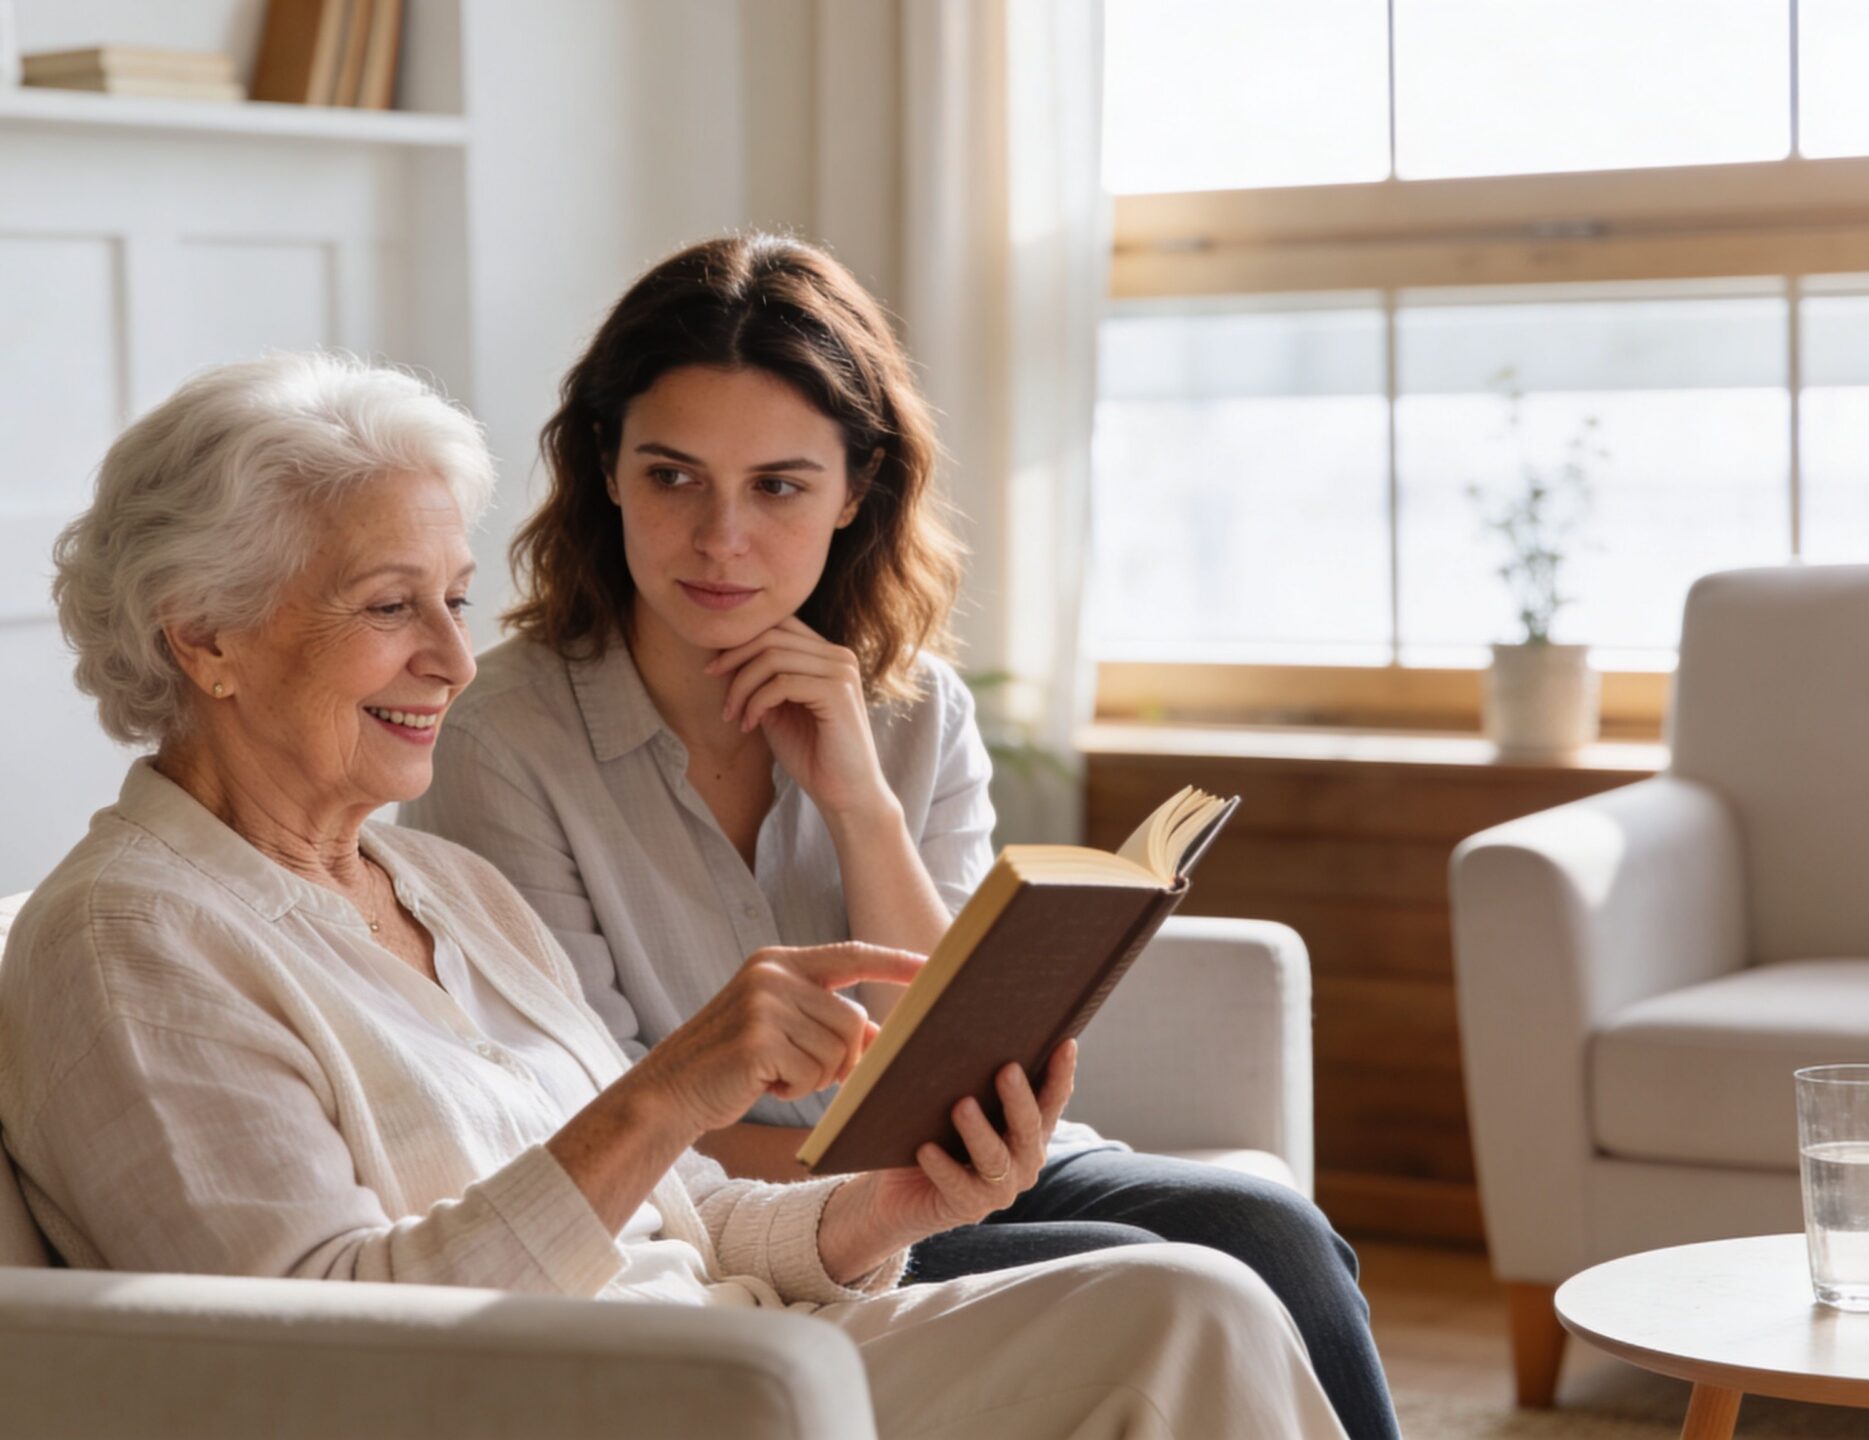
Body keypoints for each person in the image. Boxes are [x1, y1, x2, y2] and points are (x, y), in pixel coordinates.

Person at [0, 352, 1348, 1440]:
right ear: (203, 635)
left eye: (455, 598)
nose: (455, 658)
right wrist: (668, 1085)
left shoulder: (434, 884)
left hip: (731, 1345)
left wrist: (891, 1210)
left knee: (1194, 1290)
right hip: (607, 1402)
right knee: (1184, 1306)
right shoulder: (132, 942)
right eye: (394, 606)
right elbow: (318, 1361)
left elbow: (675, 1214)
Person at [401, 235, 1400, 1440]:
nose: (721, 539)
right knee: (1149, 1270)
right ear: (605, 468)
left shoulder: (913, 707)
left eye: (778, 486)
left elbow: (973, 1051)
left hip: (963, 1168)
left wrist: (859, 801)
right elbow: (591, 1112)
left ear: (854, 492)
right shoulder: (503, 735)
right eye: (673, 478)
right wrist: (872, 1183)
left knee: (1269, 1231)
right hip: (731, 1219)